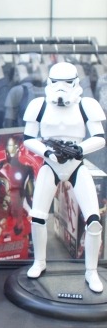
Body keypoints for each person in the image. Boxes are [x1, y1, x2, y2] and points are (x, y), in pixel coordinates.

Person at [23, 61, 106, 292]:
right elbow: (28, 138)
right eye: (56, 83)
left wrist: (80, 149)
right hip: (50, 164)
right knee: (38, 217)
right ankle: (39, 261)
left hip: (77, 165)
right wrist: (48, 152)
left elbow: (99, 137)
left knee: (94, 221)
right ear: (49, 82)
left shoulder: (86, 105)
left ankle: (91, 271)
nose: (61, 89)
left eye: (67, 83)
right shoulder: (38, 105)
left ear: (76, 83)